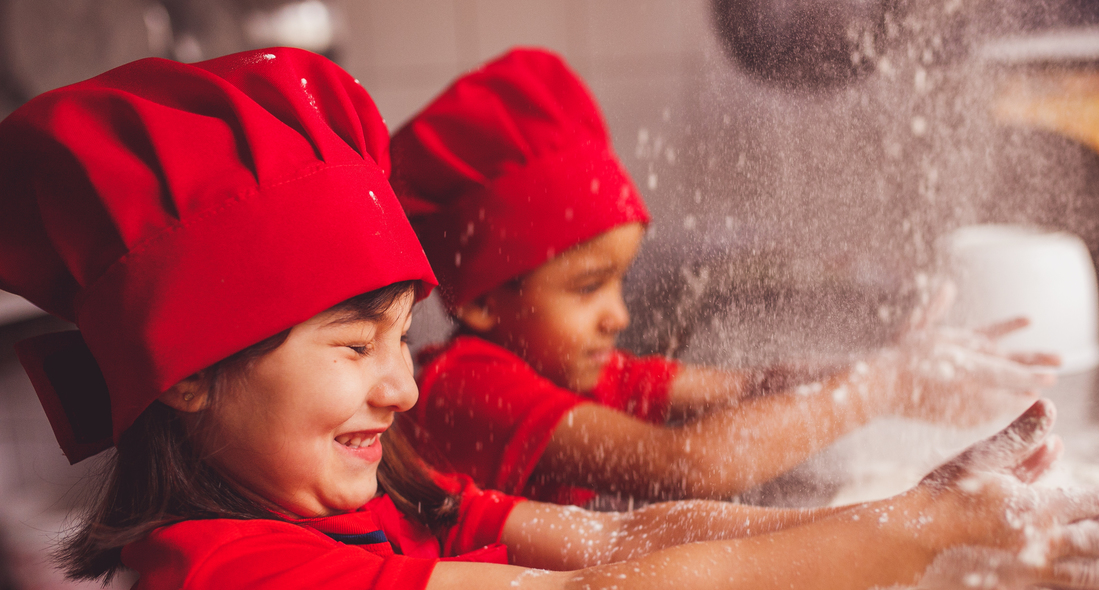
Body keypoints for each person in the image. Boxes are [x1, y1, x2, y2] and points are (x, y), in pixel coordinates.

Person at [0, 48, 1099, 590]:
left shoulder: (381, 490)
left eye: (398, 340)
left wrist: (905, 536)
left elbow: (618, 544)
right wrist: (920, 536)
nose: (402, 385)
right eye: (353, 346)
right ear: (193, 371)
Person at [389, 48, 1059, 507]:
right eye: (587, 287)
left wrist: (885, 366)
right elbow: (688, 467)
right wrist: (874, 390)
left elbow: (754, 389)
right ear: (477, 300)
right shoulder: (464, 389)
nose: (617, 315)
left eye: (619, 283)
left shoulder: (573, 369)